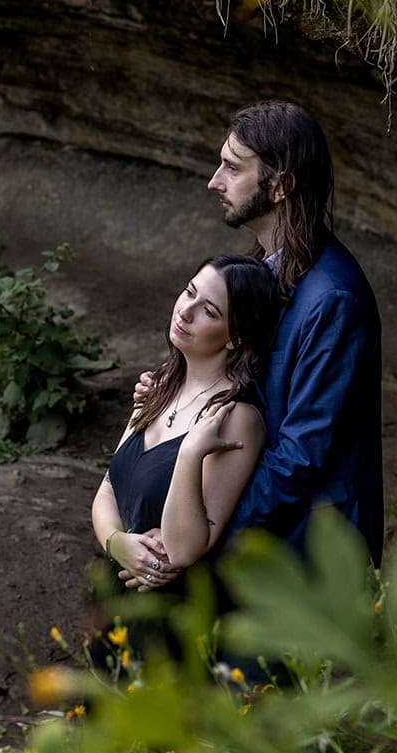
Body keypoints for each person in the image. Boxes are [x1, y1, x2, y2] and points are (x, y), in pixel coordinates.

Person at [130, 100, 384, 579]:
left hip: (308, 552)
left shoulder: (334, 298)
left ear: (281, 185)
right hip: (262, 536)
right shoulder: (270, 265)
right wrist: (173, 398)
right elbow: (242, 378)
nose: (214, 181)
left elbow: (300, 456)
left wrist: (206, 534)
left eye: (232, 167)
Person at [92, 255, 279, 604]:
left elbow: (184, 548)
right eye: (188, 292)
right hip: (115, 592)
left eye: (208, 311)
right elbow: (107, 489)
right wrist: (118, 544)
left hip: (173, 612)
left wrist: (190, 453)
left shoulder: (235, 418)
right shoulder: (161, 383)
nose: (185, 311)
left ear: (235, 337)